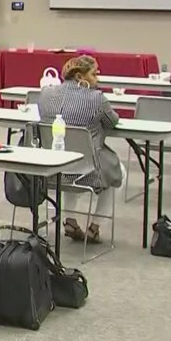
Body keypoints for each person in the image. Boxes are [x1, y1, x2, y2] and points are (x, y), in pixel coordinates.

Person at [37, 55, 123, 244]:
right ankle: (95, 226)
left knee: (70, 159)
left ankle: (70, 220)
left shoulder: (45, 94)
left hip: (52, 169)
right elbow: (112, 121)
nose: (98, 79)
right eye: (94, 74)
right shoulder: (97, 98)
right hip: (89, 172)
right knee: (118, 172)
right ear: (79, 77)